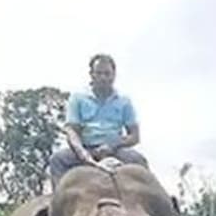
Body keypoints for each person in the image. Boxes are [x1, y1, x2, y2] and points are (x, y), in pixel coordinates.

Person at [48, 53, 147, 189]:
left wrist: (112, 145)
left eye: (107, 73)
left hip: (115, 150)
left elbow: (134, 136)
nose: (103, 78)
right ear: (91, 75)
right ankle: (58, 200)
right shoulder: (78, 98)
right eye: (99, 73)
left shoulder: (124, 101)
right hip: (86, 149)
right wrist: (84, 155)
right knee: (57, 159)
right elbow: (72, 131)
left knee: (138, 160)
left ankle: (158, 202)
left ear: (114, 75)